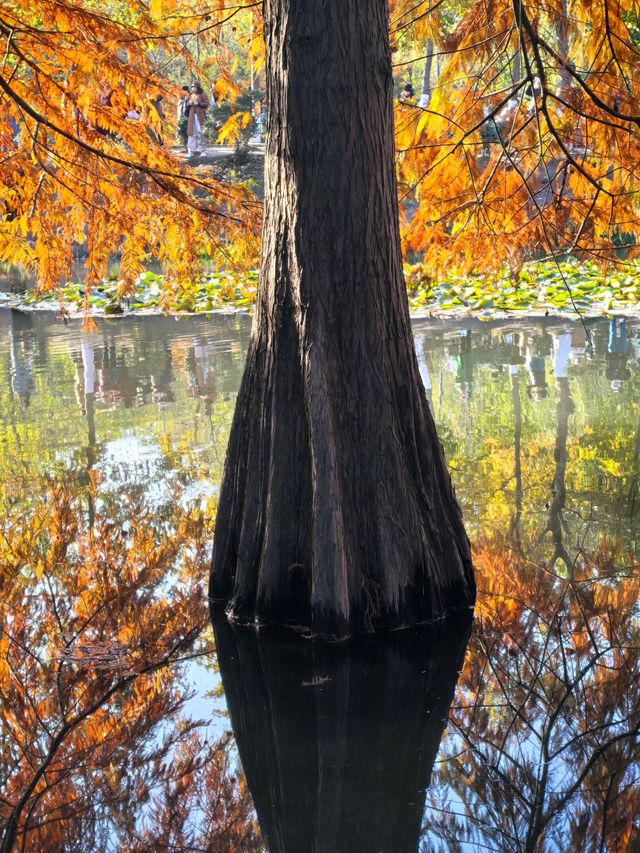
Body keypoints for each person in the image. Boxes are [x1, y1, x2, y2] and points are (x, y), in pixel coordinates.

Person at [186, 82, 209, 156]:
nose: (193, 88)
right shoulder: (192, 95)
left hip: (200, 116)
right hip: (192, 116)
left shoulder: (203, 94)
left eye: (194, 87)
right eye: (192, 87)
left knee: (200, 132)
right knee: (191, 133)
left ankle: (202, 151)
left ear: (198, 87)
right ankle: (191, 150)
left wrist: (198, 103)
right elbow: (187, 106)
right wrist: (189, 103)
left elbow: (207, 104)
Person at [176, 85, 190, 150]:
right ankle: (184, 147)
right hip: (181, 117)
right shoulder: (182, 99)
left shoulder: (189, 97)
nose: (181, 92)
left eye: (182, 91)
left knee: (186, 132)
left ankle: (187, 147)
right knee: (182, 132)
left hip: (187, 116)